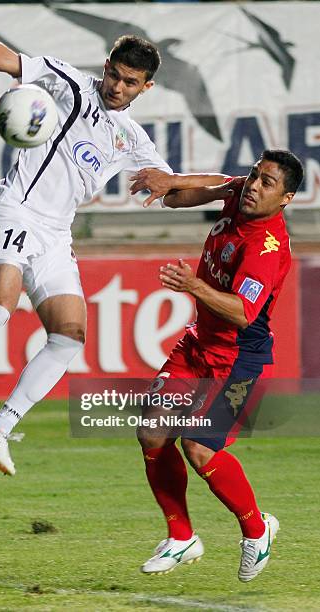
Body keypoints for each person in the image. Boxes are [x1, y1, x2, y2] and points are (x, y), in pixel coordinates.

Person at [0, 6, 184, 476]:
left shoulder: (131, 138)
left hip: (55, 233)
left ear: (146, 87)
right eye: (114, 74)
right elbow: (8, 61)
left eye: (130, 82)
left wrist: (229, 187)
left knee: (69, 335)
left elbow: (173, 190)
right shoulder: (70, 83)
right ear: (105, 66)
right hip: (16, 207)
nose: (117, 87)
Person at [130, 149, 303, 582]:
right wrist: (171, 185)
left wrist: (193, 285)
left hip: (238, 357)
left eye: (267, 183)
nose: (254, 186)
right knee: (151, 430)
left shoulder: (265, 246)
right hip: (200, 342)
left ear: (286, 198)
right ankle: (181, 537)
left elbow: (243, 312)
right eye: (255, 176)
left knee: (200, 448)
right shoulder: (239, 193)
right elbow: (213, 184)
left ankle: (256, 530)